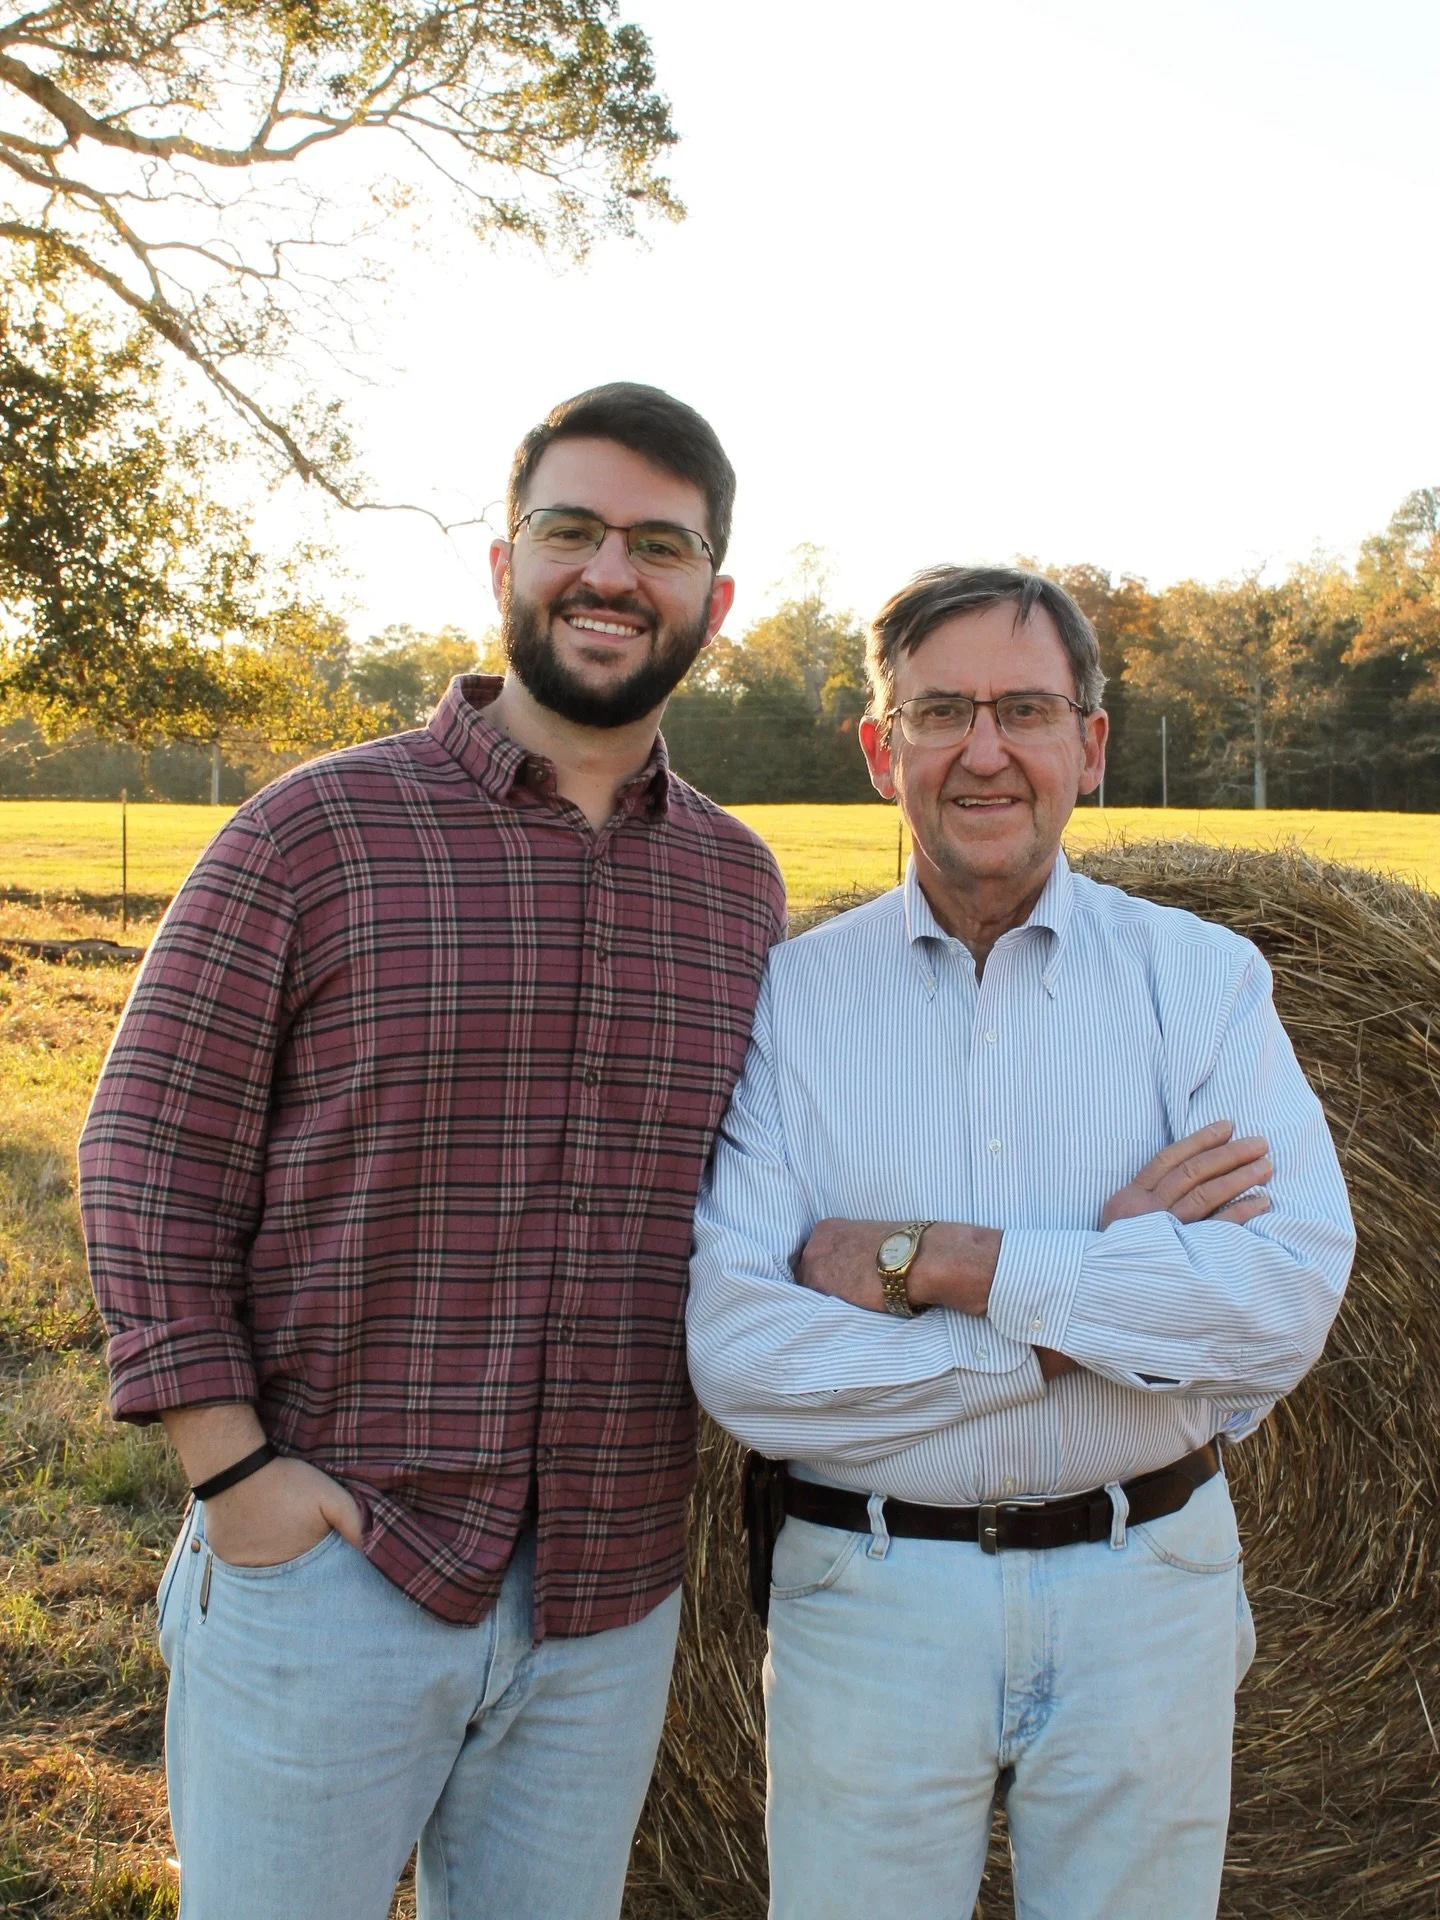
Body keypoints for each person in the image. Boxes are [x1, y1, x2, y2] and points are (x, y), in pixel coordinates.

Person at [78, 382, 786, 1920]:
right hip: (333, 1559)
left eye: (660, 545)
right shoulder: (314, 834)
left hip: (609, 1593)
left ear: (714, 598)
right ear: (503, 562)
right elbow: (145, 1154)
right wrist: (235, 1474)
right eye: (573, 530)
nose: (613, 574)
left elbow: (774, 1183)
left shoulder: (739, 885)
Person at [687, 565, 1354, 1920]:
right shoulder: (793, 1001)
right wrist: (1091, 1312)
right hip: (867, 1597)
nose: (984, 751)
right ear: (885, 752)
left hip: (1145, 1594)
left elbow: (1281, 1298)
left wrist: (942, 1264)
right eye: (941, 713)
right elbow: (740, 1354)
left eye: (1026, 709)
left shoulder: (1205, 984)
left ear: (1089, 746)